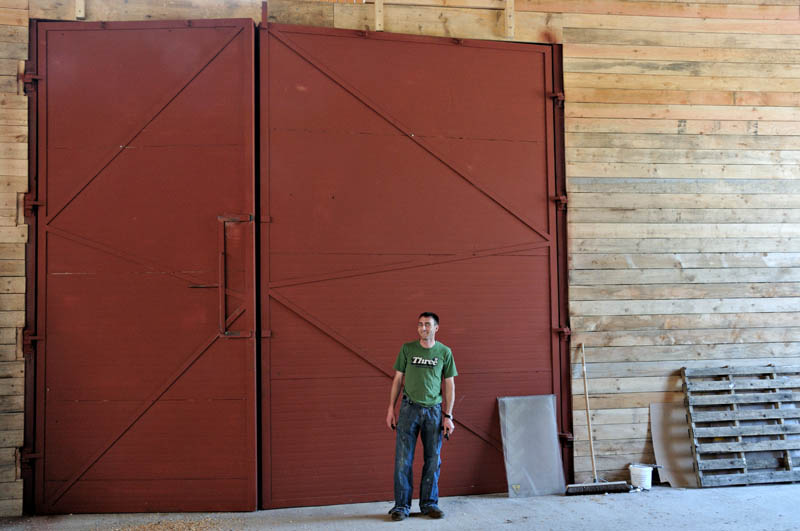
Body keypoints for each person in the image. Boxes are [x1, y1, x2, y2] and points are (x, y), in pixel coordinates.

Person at [386, 312, 457, 521]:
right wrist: (391, 408)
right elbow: (398, 379)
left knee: (433, 460)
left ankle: (429, 504)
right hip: (408, 409)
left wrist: (448, 415)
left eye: (427, 324)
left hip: (434, 411)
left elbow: (450, 384)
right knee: (402, 460)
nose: (423, 328)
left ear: (436, 328)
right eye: (420, 324)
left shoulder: (444, 352)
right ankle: (401, 506)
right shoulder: (407, 349)